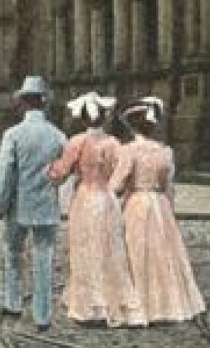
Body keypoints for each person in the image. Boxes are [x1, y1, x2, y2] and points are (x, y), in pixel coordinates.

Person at [48, 93, 146, 328]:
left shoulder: (77, 142)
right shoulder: (114, 144)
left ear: (83, 119)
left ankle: (92, 307)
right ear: (104, 117)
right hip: (108, 200)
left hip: (85, 199)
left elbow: (59, 173)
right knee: (111, 251)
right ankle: (119, 303)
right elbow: (120, 175)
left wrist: (49, 170)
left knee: (85, 248)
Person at [111, 97, 205, 323]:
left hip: (137, 203)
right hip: (160, 205)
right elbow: (168, 187)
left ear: (132, 125)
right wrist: (168, 212)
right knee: (162, 255)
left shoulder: (129, 151)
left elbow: (117, 184)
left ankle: (138, 306)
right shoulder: (165, 152)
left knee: (136, 252)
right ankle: (164, 305)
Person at [0, 75, 67, 331]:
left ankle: (13, 302)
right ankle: (42, 315)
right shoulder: (58, 136)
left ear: (23, 103)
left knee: (12, 252)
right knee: (44, 257)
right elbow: (62, 171)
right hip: (46, 205)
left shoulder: (13, 135)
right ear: (43, 103)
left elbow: (4, 173)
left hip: (17, 205)